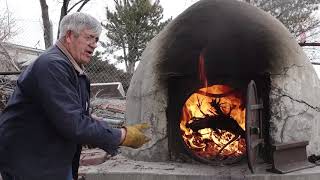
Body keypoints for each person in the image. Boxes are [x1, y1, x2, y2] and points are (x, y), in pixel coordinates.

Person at [0, 12, 149, 180]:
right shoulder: (52, 66)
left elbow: (73, 115)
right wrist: (122, 136)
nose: (94, 45)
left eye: (96, 40)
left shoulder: (72, 69)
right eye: (89, 37)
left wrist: (97, 125)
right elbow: (73, 124)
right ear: (69, 36)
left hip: (50, 157)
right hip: (31, 162)